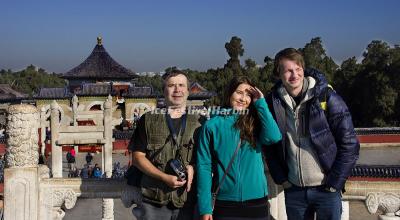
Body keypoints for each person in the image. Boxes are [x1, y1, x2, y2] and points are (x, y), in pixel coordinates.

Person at [264, 48, 360, 220]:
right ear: (278, 74)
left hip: (326, 190)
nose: (294, 75)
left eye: (298, 69)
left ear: (303, 69)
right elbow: (269, 144)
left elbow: (350, 144)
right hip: (294, 190)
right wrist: (282, 179)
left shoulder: (327, 97)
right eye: (288, 70)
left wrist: (334, 183)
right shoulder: (273, 103)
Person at [197, 76, 282, 220]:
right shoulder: (212, 126)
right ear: (230, 93)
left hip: (257, 202)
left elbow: (274, 136)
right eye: (239, 92)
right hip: (225, 204)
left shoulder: (256, 123)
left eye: (248, 94)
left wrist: (260, 102)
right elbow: (204, 167)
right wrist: (205, 208)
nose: (243, 98)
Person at [128, 70, 203, 220]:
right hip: (153, 201)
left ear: (188, 91)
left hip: (187, 200)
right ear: (164, 90)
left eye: (181, 85)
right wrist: (163, 177)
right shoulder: (148, 120)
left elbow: (206, 158)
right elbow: (137, 157)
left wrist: (193, 167)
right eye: (171, 85)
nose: (177, 90)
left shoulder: (200, 122)